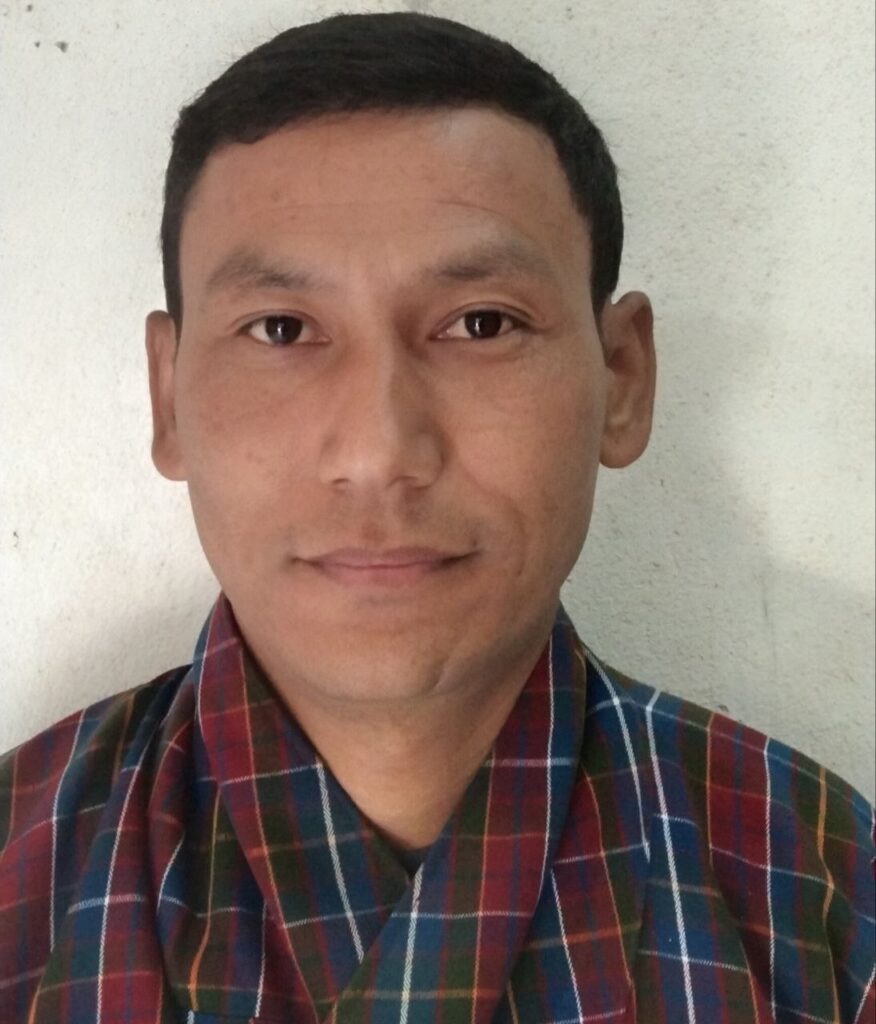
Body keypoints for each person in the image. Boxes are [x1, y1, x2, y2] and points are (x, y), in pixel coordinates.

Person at [0, 11, 872, 1023]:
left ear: (622, 379)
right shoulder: (23, 879)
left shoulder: (826, 900)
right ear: (167, 396)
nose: (379, 451)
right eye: (280, 328)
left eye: (481, 324)